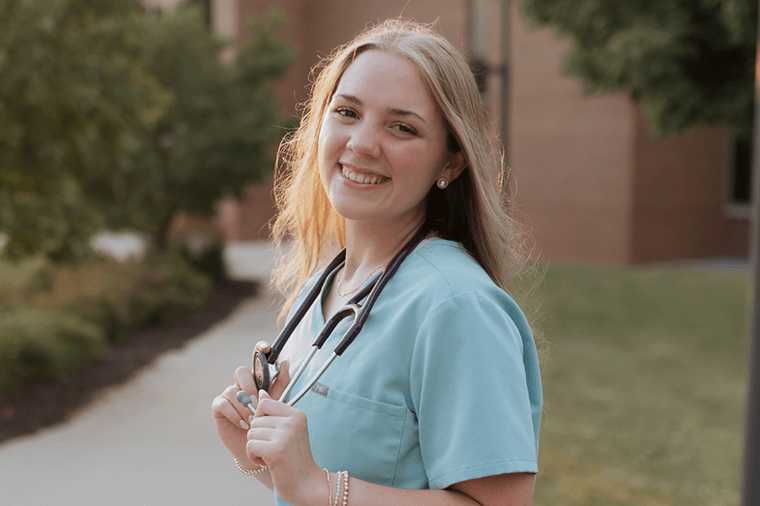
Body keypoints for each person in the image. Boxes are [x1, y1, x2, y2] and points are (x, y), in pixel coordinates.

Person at [212, 19, 542, 506]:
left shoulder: (457, 307)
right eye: (347, 112)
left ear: (450, 162)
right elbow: (320, 491)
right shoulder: (322, 291)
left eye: (402, 127)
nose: (362, 144)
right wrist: (259, 458)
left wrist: (318, 486)